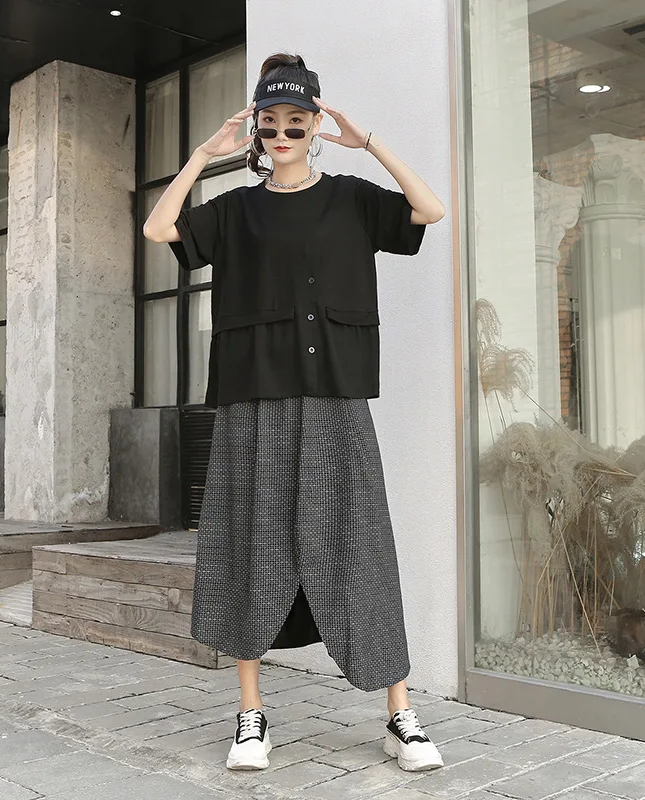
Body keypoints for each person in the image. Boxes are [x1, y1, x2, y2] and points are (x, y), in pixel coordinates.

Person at [143, 53, 446, 773]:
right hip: (253, 402)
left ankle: (400, 715)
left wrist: (367, 141)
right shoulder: (236, 209)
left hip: (336, 397)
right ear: (257, 130)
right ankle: (251, 716)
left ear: (314, 125)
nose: (282, 135)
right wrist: (203, 155)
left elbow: (429, 209)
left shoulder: (350, 197)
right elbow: (159, 229)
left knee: (361, 545)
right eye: (271, 124)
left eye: (296, 123)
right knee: (250, 545)